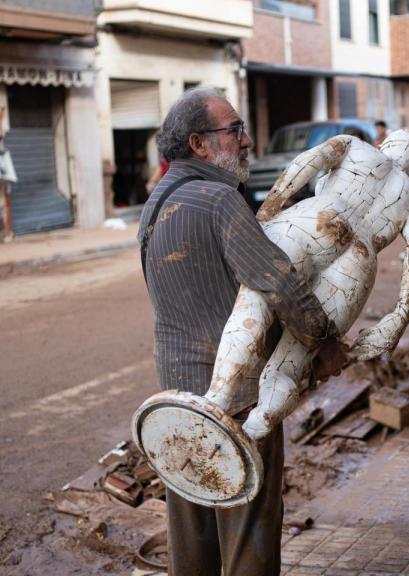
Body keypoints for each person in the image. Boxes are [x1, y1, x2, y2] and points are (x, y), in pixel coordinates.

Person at [138, 87, 344, 576]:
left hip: (177, 399)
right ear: (199, 144)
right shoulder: (219, 200)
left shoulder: (154, 206)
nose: (247, 140)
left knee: (192, 529)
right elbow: (278, 283)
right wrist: (326, 344)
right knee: (249, 527)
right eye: (235, 130)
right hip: (237, 398)